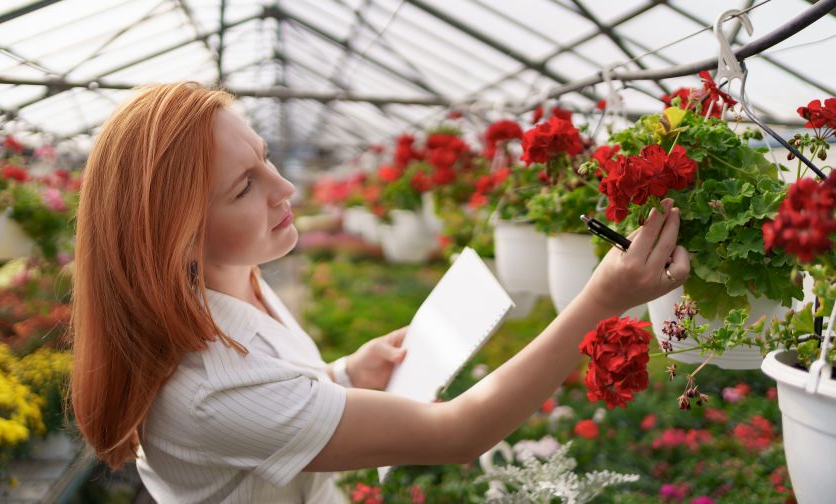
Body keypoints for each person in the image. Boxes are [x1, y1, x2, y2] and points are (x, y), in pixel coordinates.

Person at [70, 82, 690, 503]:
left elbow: (272, 389)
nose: (285, 187)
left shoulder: (236, 282)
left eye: (265, 159)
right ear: (175, 234)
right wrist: (600, 300)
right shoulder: (208, 385)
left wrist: (342, 374)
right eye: (243, 188)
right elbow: (459, 432)